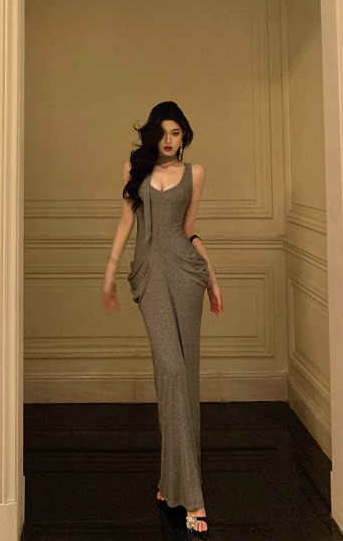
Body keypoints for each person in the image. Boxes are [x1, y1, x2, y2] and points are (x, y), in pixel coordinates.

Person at [102, 101, 223, 538]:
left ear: (183, 136)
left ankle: (172, 481)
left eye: (176, 133)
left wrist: (211, 276)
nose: (169, 140)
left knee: (185, 377)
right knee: (169, 369)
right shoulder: (134, 171)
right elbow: (125, 223)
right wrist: (110, 270)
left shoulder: (196, 174)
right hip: (150, 274)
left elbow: (189, 228)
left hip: (187, 274)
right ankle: (193, 497)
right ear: (153, 134)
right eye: (163, 132)